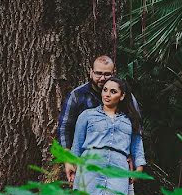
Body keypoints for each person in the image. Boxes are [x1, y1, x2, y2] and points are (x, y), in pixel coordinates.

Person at [69, 75, 146, 195]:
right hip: (90, 168)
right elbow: (77, 145)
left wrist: (140, 167)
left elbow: (137, 145)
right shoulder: (87, 115)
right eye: (105, 90)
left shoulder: (130, 120)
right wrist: (71, 165)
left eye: (113, 91)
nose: (107, 94)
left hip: (118, 169)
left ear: (122, 96)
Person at [57, 55, 140, 185]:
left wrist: (132, 157)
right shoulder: (78, 96)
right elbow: (65, 129)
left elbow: (136, 129)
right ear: (91, 72)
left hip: (118, 165)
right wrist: (68, 160)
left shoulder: (126, 97)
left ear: (114, 72)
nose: (102, 78)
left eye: (107, 74)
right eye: (98, 73)